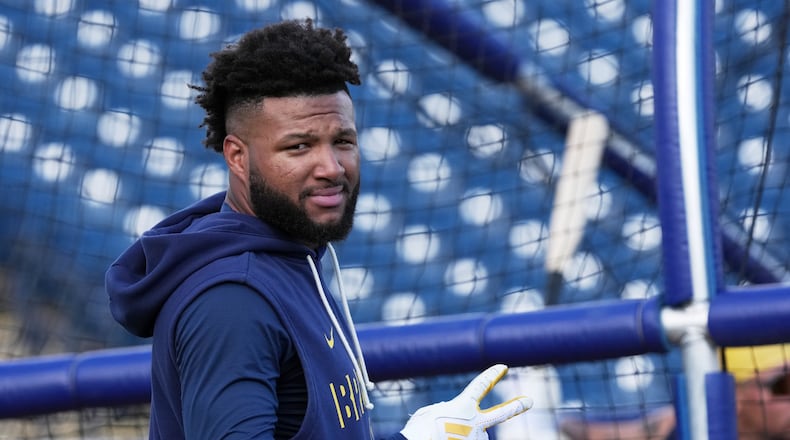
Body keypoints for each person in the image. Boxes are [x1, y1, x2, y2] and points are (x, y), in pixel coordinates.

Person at [105, 19, 531, 440]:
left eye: (343, 141)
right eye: (299, 146)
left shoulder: (292, 260)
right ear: (237, 156)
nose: (331, 168)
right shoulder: (233, 298)